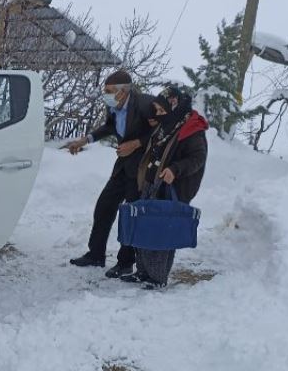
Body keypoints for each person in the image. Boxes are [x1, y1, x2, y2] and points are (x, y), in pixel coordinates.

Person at [66, 70, 156, 278]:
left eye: (109, 91)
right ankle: (96, 254)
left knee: (130, 215)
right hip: (123, 166)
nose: (105, 94)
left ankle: (125, 263)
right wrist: (85, 139)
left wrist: (136, 144)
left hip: (141, 169)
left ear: (123, 91)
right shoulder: (113, 106)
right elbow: (109, 126)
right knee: (104, 206)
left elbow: (160, 130)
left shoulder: (144, 104)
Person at [121, 86, 209, 289]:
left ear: (174, 106)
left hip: (172, 187)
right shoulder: (168, 125)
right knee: (145, 226)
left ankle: (157, 277)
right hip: (152, 183)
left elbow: (197, 158)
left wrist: (175, 169)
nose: (158, 115)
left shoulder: (191, 129)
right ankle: (143, 272)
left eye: (161, 111)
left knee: (161, 232)